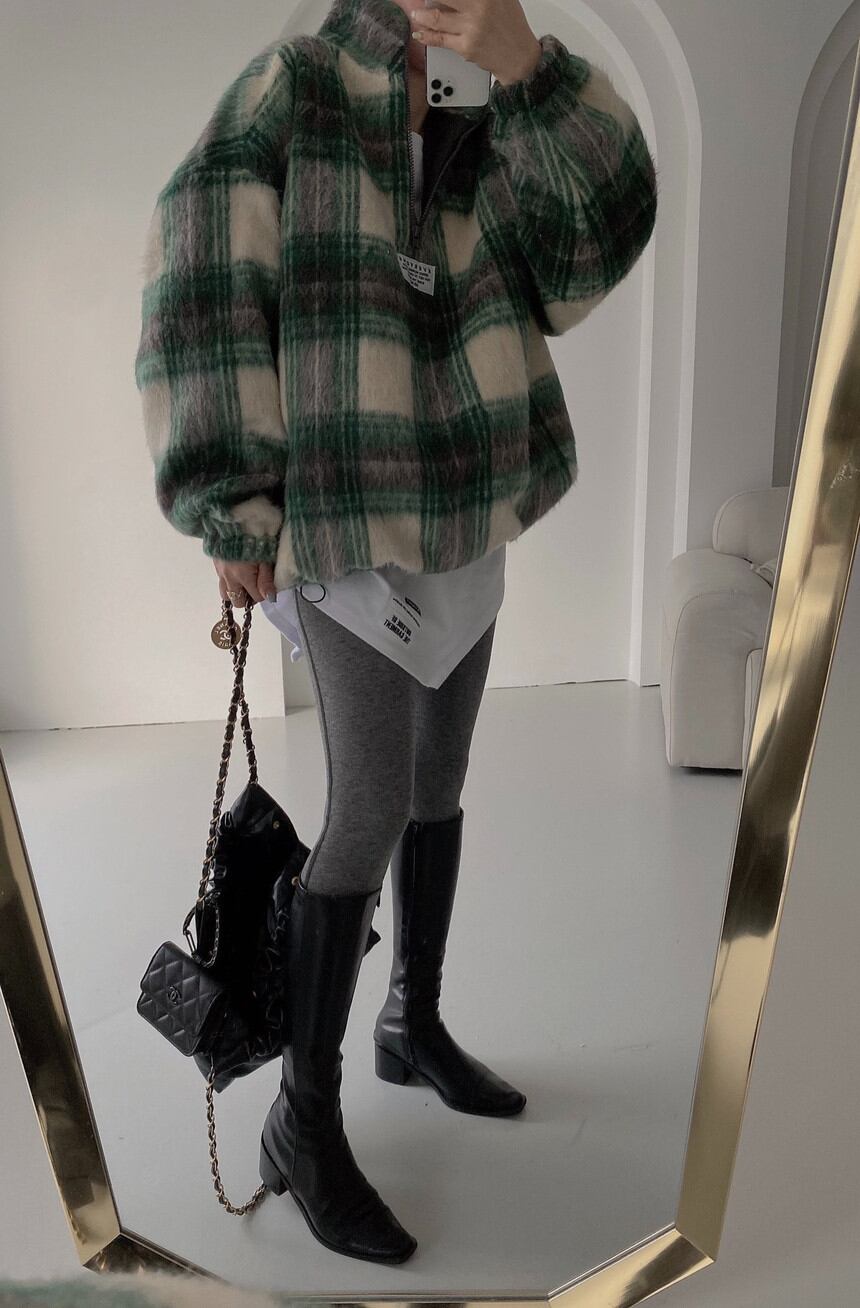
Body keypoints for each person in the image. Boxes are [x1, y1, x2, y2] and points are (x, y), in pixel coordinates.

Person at [134, 0, 658, 1266]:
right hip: (344, 515)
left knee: (439, 780)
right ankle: (302, 1123)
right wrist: (231, 501)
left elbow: (585, 258)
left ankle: (410, 1024)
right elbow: (200, 266)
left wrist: (532, 70)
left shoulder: (486, 93)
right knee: (364, 806)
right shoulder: (298, 85)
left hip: (465, 512)